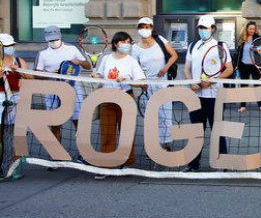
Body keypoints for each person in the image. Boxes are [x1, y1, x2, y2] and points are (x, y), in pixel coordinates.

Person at [90, 31, 146, 179]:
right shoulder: (107, 58)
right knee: (107, 133)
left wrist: (127, 80)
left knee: (126, 132)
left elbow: (141, 81)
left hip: (125, 98)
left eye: (128, 42)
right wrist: (96, 75)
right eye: (124, 42)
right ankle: (105, 165)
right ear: (116, 44)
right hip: (107, 98)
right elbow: (101, 74)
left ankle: (127, 162)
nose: (126, 45)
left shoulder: (131, 61)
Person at [183, 15, 234, 172]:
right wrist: (191, 82)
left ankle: (222, 164)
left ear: (212, 29)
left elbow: (229, 69)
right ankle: (193, 165)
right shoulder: (193, 46)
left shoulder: (220, 46)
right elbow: (187, 68)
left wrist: (212, 81)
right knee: (196, 132)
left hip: (215, 96)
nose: (203, 31)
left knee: (218, 131)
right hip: (197, 97)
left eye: (206, 28)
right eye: (201, 28)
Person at [34, 25, 91, 157]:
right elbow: (37, 74)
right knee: (55, 123)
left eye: (55, 39)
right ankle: (56, 154)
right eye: (50, 40)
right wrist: (52, 74)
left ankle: (84, 153)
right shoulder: (43, 54)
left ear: (60, 36)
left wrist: (80, 62)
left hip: (73, 88)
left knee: (79, 122)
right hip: (52, 90)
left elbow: (88, 65)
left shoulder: (72, 49)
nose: (53, 42)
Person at [132, 17, 178, 151]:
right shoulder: (135, 48)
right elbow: (135, 67)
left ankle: (167, 144)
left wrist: (166, 68)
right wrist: (141, 83)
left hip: (163, 83)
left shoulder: (160, 40)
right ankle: (152, 146)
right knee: (151, 117)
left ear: (151, 28)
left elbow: (174, 55)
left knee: (166, 115)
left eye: (147, 27)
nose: (144, 30)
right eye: (141, 27)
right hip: (147, 85)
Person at [0, 34, 32, 164]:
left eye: (11, 45)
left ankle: (16, 165)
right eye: (7, 46)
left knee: (20, 132)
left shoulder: (19, 61)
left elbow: (31, 78)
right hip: (1, 97)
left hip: (17, 97)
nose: (10, 48)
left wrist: (19, 71)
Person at [235, 21, 261, 113]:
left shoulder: (258, 38)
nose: (252, 30)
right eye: (250, 28)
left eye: (253, 29)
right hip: (243, 65)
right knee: (244, 86)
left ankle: (260, 105)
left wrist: (256, 49)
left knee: (258, 85)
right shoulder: (242, 38)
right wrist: (237, 65)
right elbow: (238, 52)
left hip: (255, 65)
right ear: (247, 28)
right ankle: (243, 106)